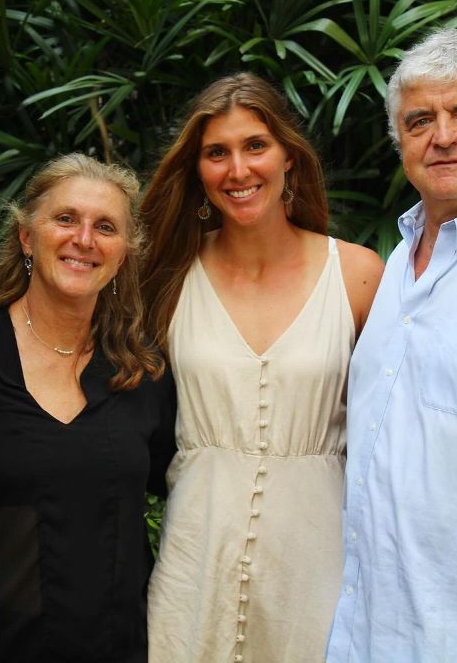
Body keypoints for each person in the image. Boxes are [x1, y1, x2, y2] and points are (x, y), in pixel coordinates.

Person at [141, 72, 384, 663]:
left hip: (319, 568)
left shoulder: (357, 275)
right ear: (197, 172)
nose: (238, 169)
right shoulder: (165, 281)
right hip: (192, 569)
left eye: (255, 145)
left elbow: (391, 436)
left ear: (289, 160)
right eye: (216, 153)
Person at [325, 28, 457, 662]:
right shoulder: (396, 266)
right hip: (370, 632)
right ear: (400, 142)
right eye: (420, 121)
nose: (442, 136)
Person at [0, 152, 177, 663]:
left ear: (123, 254)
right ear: (27, 236)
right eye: (66, 219)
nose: (84, 239)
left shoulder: (141, 370)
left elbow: (184, 486)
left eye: (106, 227)